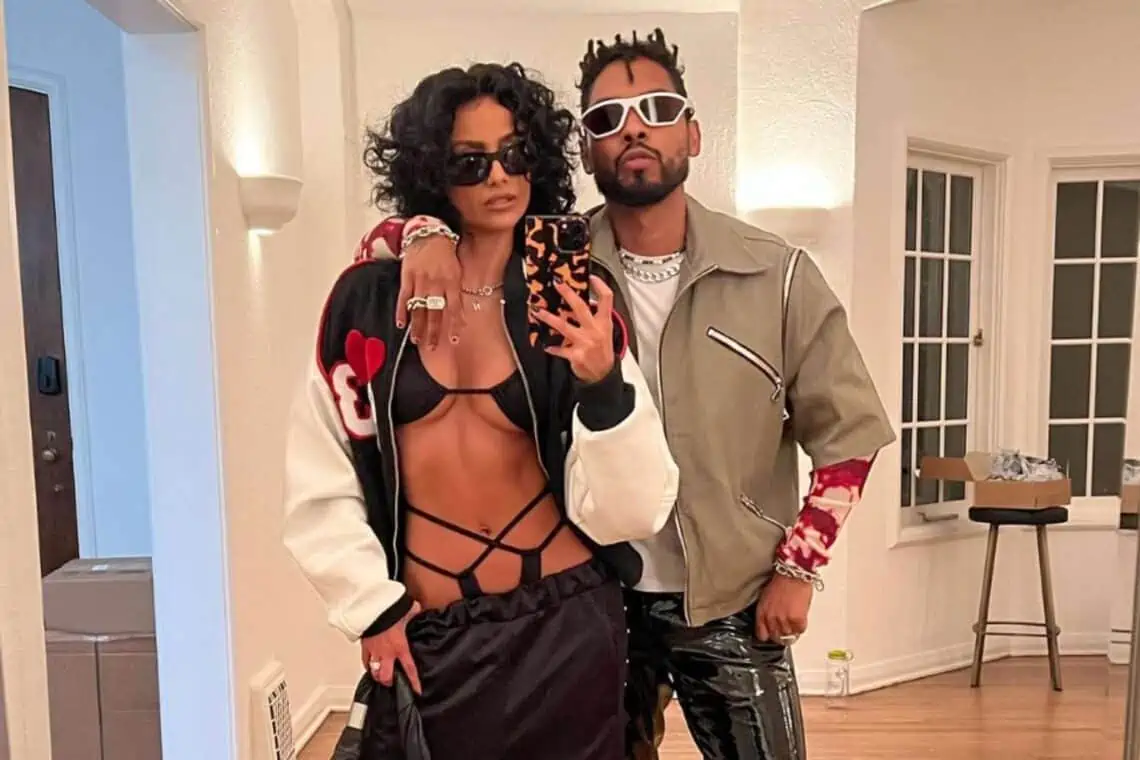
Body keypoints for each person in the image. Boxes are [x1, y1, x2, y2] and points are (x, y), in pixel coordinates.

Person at [371, 30, 894, 760]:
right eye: (607, 118)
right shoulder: (548, 262)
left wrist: (798, 569)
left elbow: (851, 437)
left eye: (658, 108)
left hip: (733, 599)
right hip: (593, 598)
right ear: (586, 152)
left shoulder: (776, 276)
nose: (635, 128)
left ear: (693, 133)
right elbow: (425, 230)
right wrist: (421, 230)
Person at [282, 61, 679, 760]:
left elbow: (635, 510)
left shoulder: (572, 299)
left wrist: (603, 385)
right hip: (431, 635)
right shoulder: (368, 303)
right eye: (471, 162)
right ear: (433, 171)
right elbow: (321, 477)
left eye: (516, 154)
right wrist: (370, 607)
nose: (500, 177)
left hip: (567, 624)